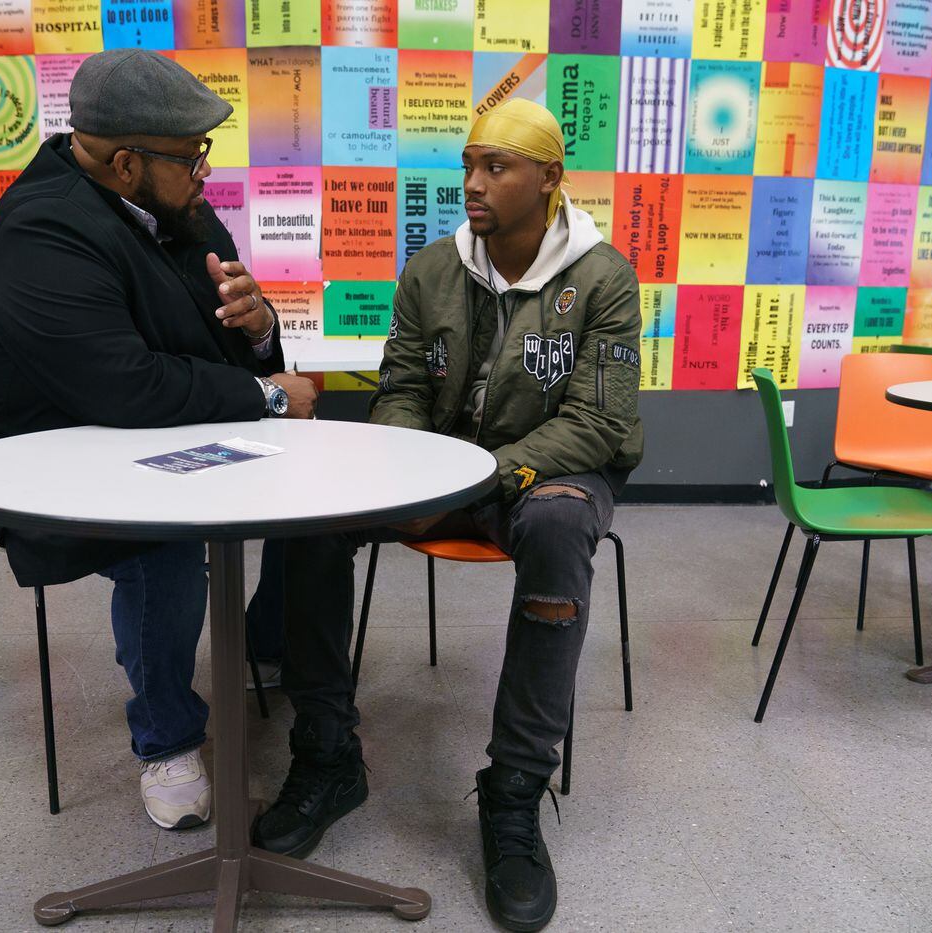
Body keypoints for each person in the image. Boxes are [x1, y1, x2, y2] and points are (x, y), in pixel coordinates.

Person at [252, 99, 642, 932]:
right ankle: (326, 750)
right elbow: (400, 389)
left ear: (550, 177)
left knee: (560, 527)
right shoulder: (431, 269)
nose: (473, 183)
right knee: (313, 511)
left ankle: (515, 789)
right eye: (469, 165)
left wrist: (473, 480)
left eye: (497, 167)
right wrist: (408, 469)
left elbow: (597, 421)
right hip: (435, 472)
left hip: (547, 474)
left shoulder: (604, 277)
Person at [0, 48, 316, 830]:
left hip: (162, 442)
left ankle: (268, 644)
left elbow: (218, 347)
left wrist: (259, 329)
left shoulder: (180, 208)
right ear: (126, 164)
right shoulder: (40, 232)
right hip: (57, 472)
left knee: (316, 490)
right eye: (191, 156)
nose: (205, 171)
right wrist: (264, 393)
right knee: (165, 544)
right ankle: (168, 740)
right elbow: (125, 385)